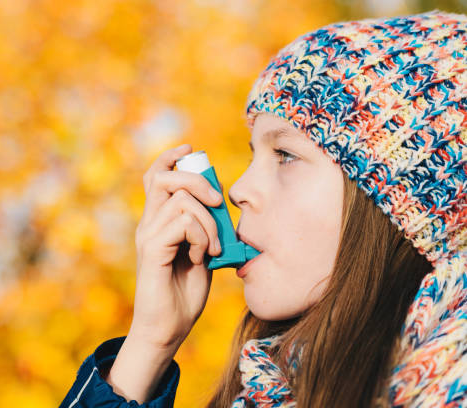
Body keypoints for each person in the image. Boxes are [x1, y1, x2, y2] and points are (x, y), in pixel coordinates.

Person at [60, 9, 466, 407]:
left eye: (285, 154)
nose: (238, 189)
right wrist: (150, 342)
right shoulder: (270, 390)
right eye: (255, 153)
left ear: (413, 205)